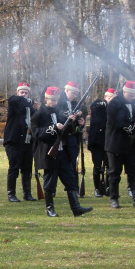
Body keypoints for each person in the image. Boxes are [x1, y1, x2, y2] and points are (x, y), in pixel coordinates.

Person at [32, 86, 92, 217]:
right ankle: (50, 209)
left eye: (56, 100)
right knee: (50, 182)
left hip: (63, 152)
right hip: (49, 153)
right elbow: (36, 133)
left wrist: (74, 122)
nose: (55, 102)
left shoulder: (60, 113)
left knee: (70, 179)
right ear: (46, 99)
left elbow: (68, 131)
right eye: (52, 100)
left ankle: (76, 208)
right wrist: (53, 128)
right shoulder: (38, 115)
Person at [105, 81, 135, 210]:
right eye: (131, 95)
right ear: (124, 92)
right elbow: (119, 123)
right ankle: (114, 198)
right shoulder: (114, 104)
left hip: (131, 144)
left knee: (134, 172)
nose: (133, 97)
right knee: (114, 173)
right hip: (115, 143)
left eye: (134, 95)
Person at [3, 82, 37, 202]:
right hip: (14, 141)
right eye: (21, 92)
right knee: (14, 168)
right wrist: (30, 101)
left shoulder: (31, 107)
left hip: (28, 141)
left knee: (27, 169)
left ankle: (27, 193)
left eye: (26, 93)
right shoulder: (15, 102)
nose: (23, 94)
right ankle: (11, 194)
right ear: (18, 93)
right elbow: (15, 100)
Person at [87, 88, 115, 197]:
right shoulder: (98, 104)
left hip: (109, 141)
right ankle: (97, 188)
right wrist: (107, 103)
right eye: (111, 98)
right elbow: (94, 107)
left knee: (109, 166)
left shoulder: (114, 108)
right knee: (97, 165)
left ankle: (108, 187)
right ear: (106, 97)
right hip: (97, 142)